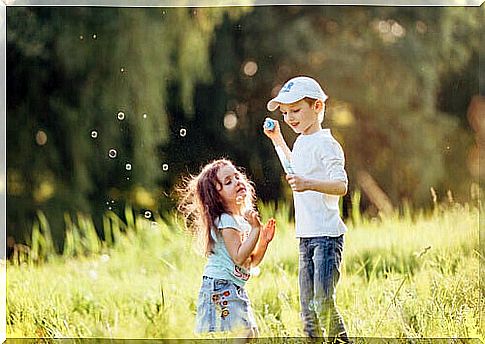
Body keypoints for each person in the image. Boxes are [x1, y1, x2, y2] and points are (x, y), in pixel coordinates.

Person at [263, 76, 350, 342]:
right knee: (307, 307)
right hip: (306, 236)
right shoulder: (301, 143)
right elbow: (293, 172)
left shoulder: (327, 143)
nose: (289, 117)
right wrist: (277, 139)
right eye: (286, 112)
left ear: (318, 107)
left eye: (296, 110)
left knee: (322, 301)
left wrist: (308, 183)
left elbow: (341, 185)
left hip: (326, 237)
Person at [177, 158, 276, 338]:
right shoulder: (226, 221)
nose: (237, 181)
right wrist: (255, 229)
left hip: (233, 285)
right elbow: (238, 257)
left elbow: (250, 262)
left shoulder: (240, 221)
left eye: (237, 176)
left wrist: (263, 242)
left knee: (251, 332)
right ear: (216, 196)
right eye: (228, 181)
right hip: (220, 285)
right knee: (247, 332)